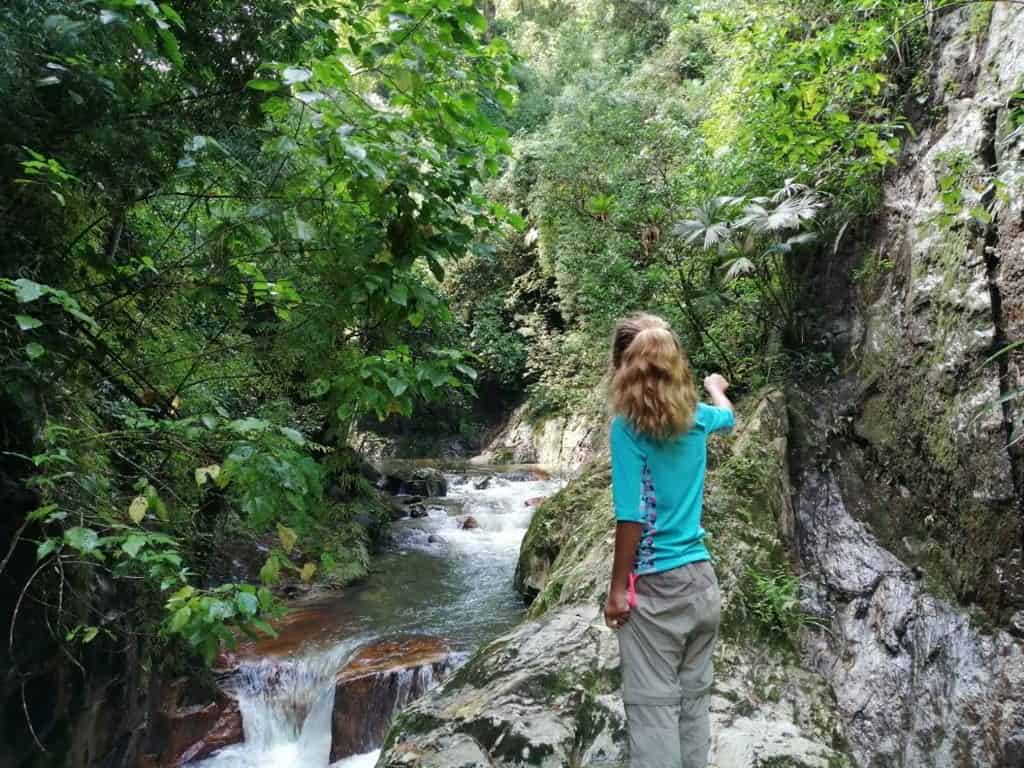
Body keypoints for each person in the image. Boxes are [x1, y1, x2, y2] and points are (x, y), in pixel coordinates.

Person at [603, 312, 734, 768]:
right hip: (703, 583)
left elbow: (631, 516)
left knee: (653, 711)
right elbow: (729, 418)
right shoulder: (698, 418)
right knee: (693, 702)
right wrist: (717, 388)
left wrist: (618, 590)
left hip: (657, 592)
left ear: (626, 368)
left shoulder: (627, 429)